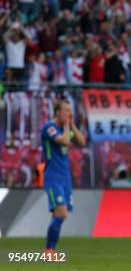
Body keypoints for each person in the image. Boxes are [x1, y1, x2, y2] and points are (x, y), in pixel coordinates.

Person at [41, 100, 86, 255]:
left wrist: (72, 125)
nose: (68, 114)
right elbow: (65, 141)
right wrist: (67, 126)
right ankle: (48, 251)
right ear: (57, 112)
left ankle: (51, 251)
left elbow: (82, 141)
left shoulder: (65, 128)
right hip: (53, 176)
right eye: (65, 111)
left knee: (57, 215)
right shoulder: (50, 128)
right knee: (62, 213)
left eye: (70, 111)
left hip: (65, 178)